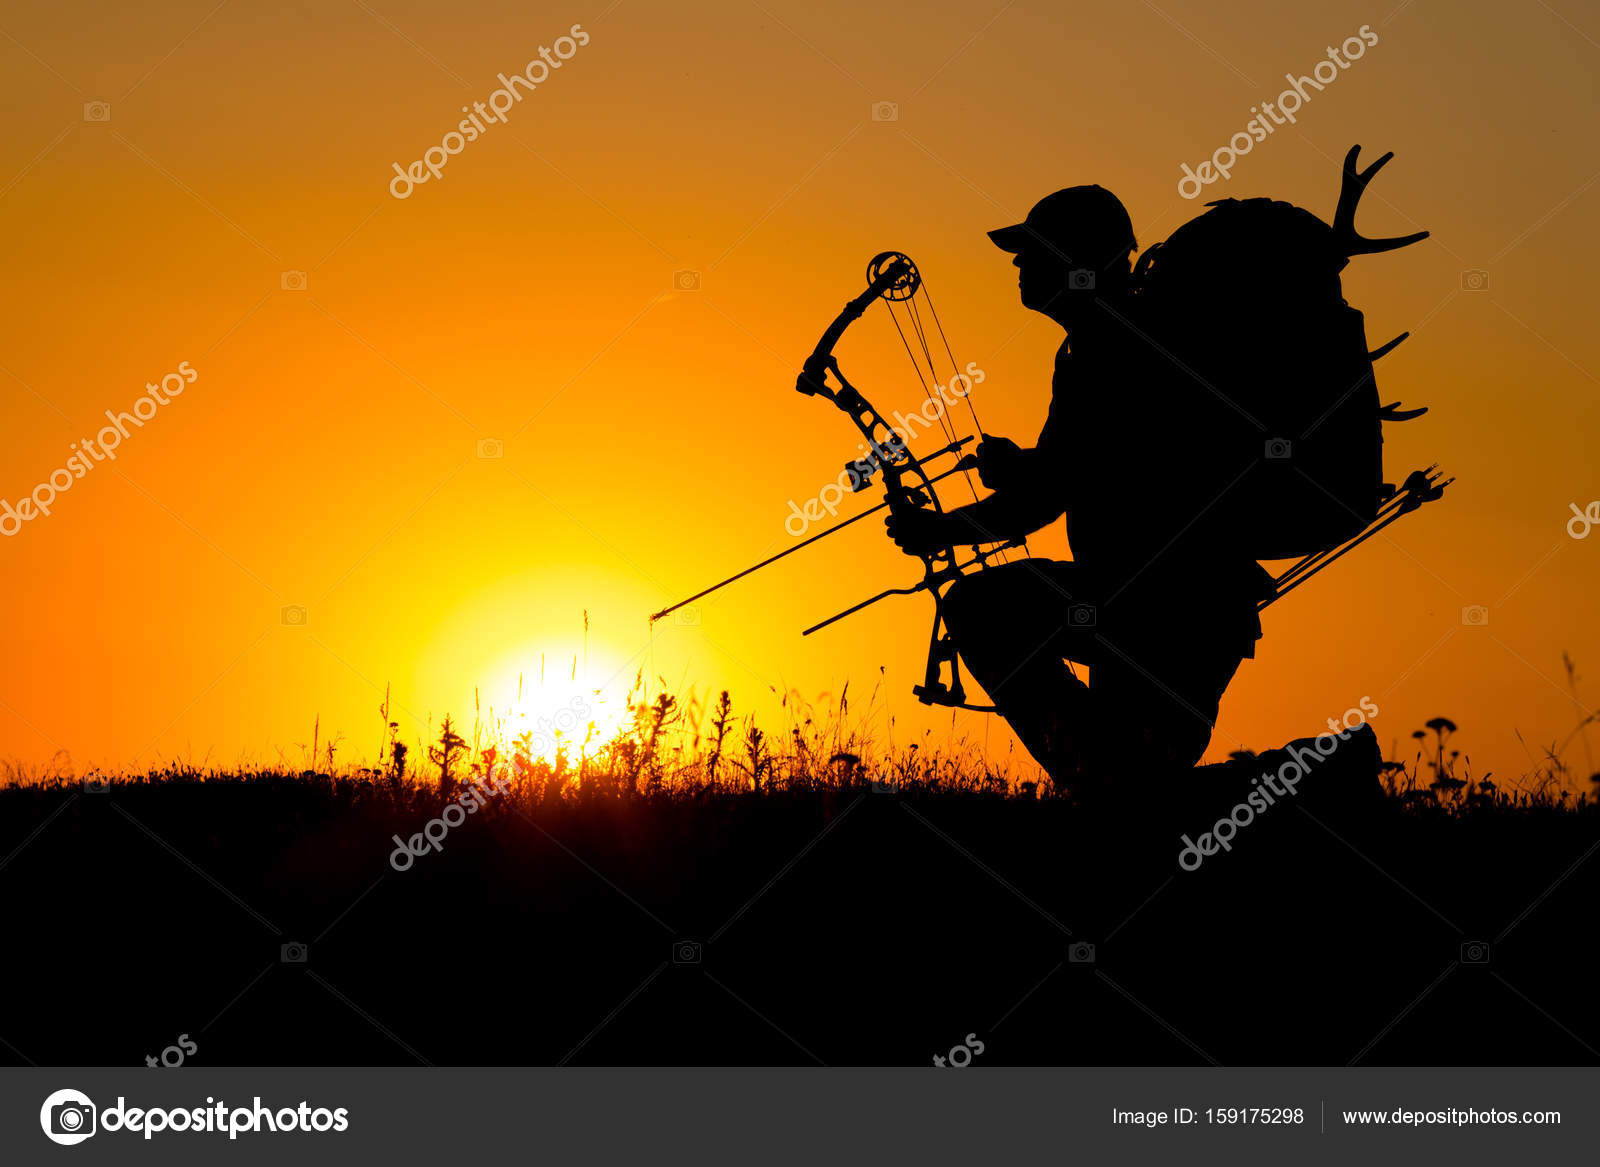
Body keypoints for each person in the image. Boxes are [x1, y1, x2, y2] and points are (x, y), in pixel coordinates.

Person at [885, 186, 1272, 788]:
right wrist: (1021, 473)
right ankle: (1117, 793)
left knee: (980, 608)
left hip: (1168, 612)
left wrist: (941, 530)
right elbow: (1080, 472)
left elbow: (1048, 493)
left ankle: (1310, 778)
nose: (1018, 264)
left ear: (1076, 260)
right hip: (1148, 606)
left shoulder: (1118, 347)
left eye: (1032, 252)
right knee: (1136, 783)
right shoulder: (1092, 347)